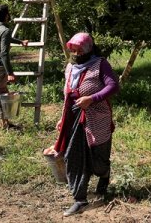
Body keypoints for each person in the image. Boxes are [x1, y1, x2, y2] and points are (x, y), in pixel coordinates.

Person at [45, 32, 120, 217]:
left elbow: (113, 86)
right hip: (74, 118)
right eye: (74, 50)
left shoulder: (100, 64)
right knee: (73, 157)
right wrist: (63, 118)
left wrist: (92, 98)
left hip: (97, 118)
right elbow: (68, 96)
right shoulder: (70, 67)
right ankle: (80, 200)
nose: (76, 54)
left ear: (88, 49)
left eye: (80, 50)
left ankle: (104, 174)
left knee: (98, 161)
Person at [0, 3, 28, 136]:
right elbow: (4, 53)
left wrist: (20, 41)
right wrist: (10, 73)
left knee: (4, 95)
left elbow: (5, 39)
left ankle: (6, 123)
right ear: (6, 16)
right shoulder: (5, 30)